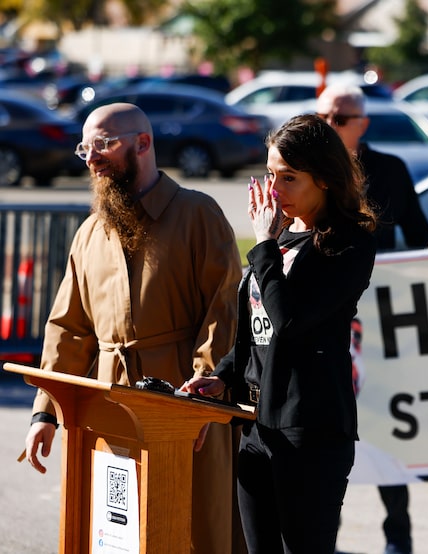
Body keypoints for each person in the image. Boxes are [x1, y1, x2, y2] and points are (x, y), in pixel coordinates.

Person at [23, 103, 243, 553]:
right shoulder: (88, 233)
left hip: (185, 407)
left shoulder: (199, 215)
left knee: (193, 529)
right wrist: (45, 413)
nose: (91, 157)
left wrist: (202, 392)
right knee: (116, 533)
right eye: (85, 147)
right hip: (107, 408)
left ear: (143, 143)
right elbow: (69, 328)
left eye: (104, 144)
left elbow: (224, 310)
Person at [182, 113, 378, 553]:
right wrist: (224, 376)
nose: (274, 191)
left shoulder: (348, 243)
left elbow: (289, 321)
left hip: (308, 429)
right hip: (257, 426)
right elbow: (258, 331)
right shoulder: (283, 236)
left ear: (324, 179)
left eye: (289, 178)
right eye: (271, 174)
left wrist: (265, 246)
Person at [316, 83, 428, 554]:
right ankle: (325, 539)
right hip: (331, 324)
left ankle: (398, 536)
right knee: (331, 439)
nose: (330, 128)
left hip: (384, 328)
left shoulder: (389, 171)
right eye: (323, 119)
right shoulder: (309, 173)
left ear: (363, 124)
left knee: (385, 436)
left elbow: (419, 236)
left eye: (339, 120)